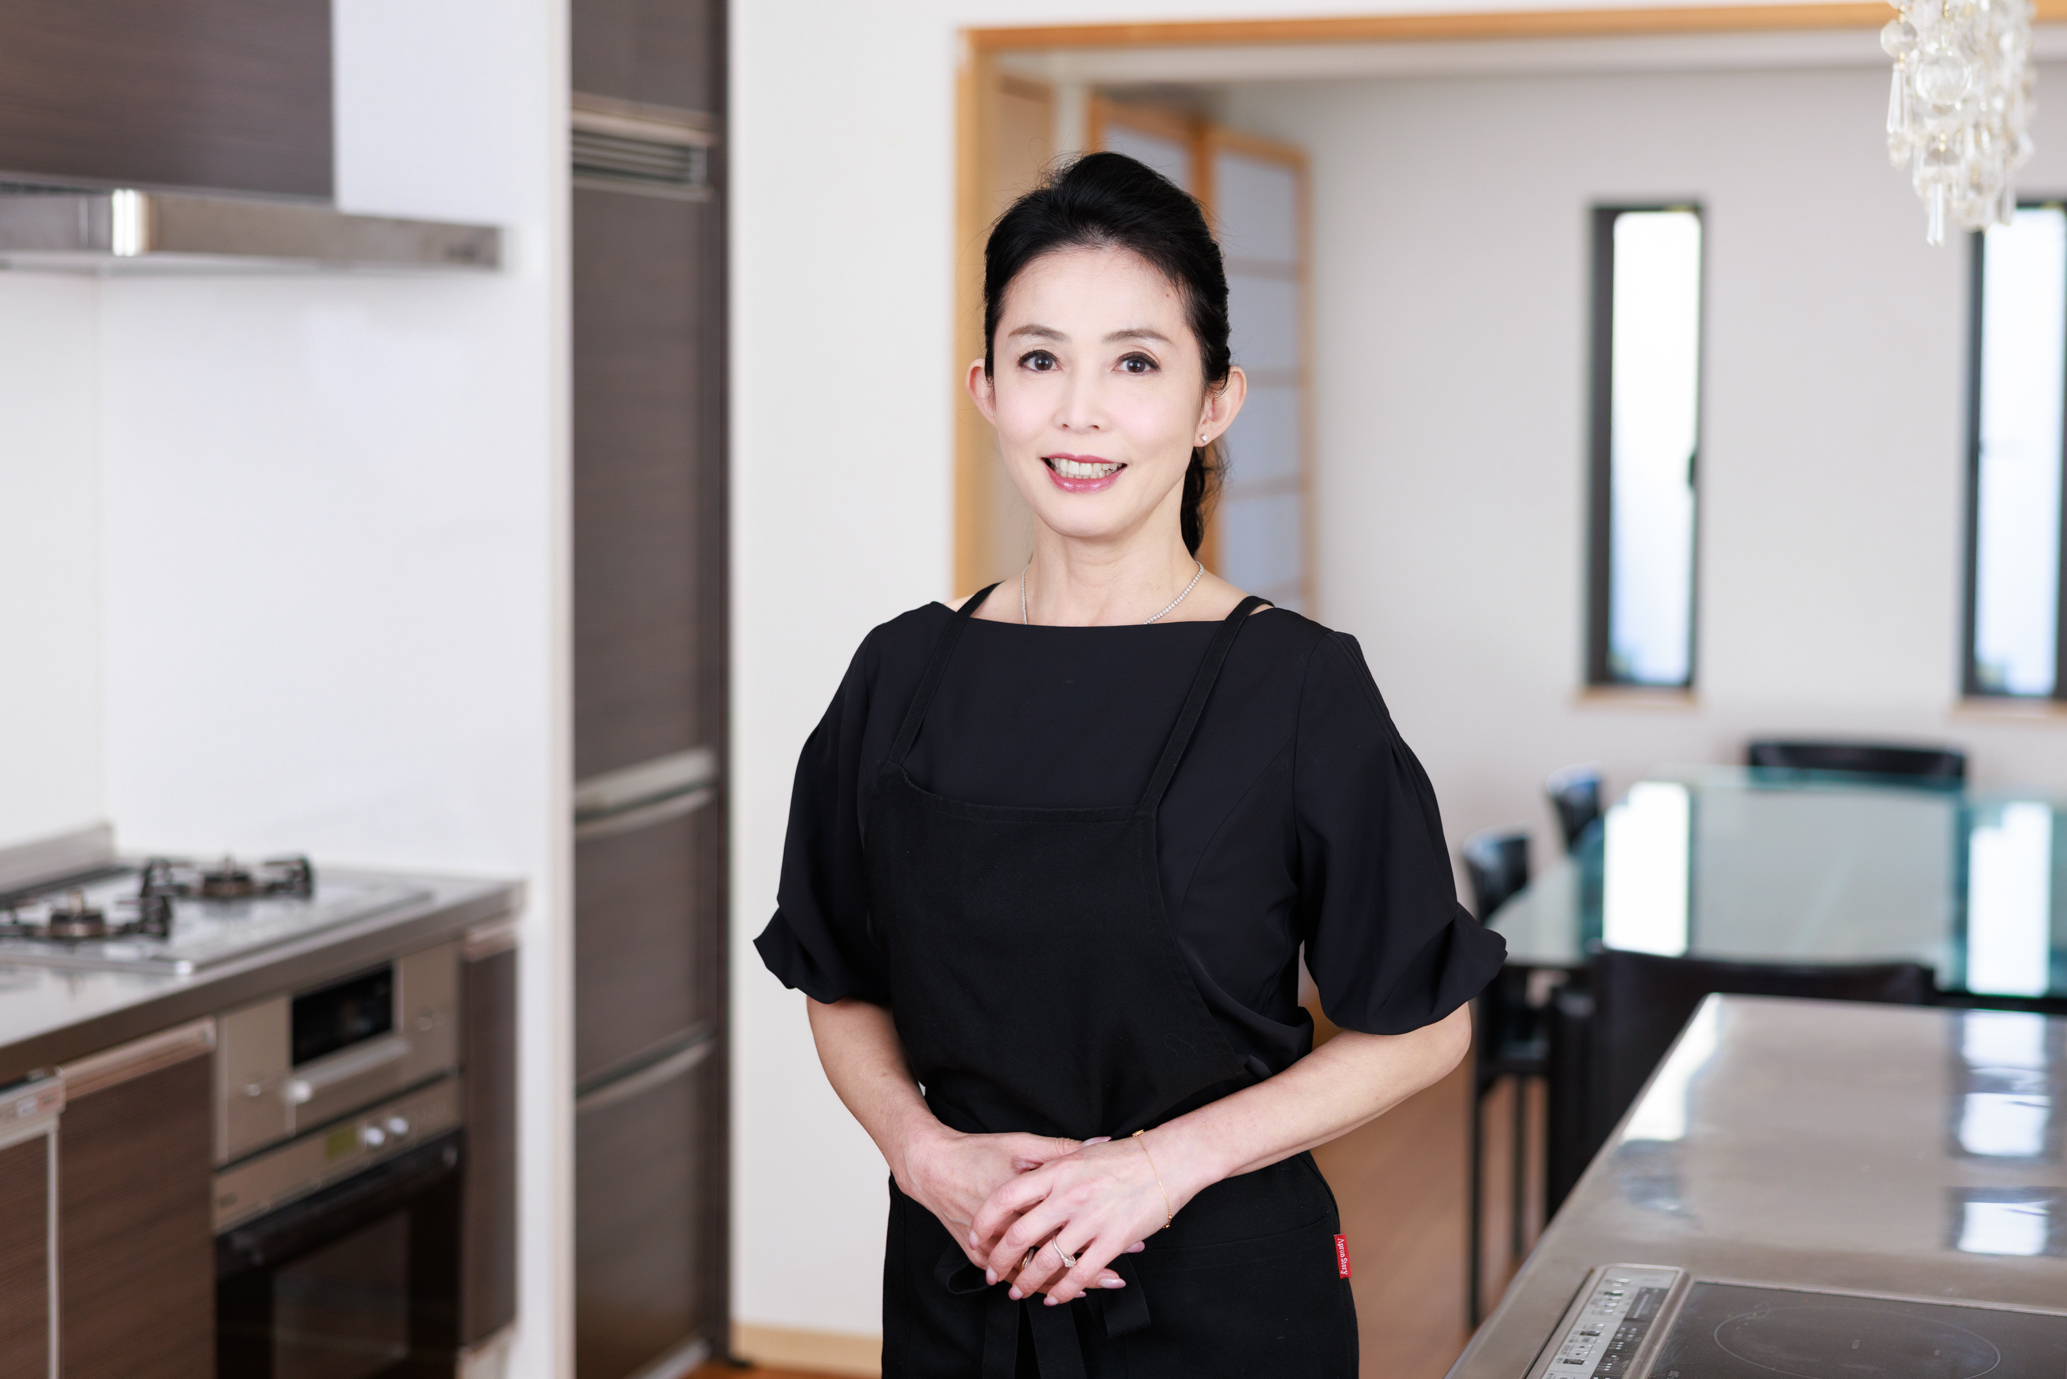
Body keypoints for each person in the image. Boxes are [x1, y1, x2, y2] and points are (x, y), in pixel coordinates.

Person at [755, 151, 1506, 1378]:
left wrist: (1157, 1167)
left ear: (1216, 400)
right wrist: (922, 1150)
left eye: (1138, 363)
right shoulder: (900, 676)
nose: (1082, 411)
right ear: (988, 388)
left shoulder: (1297, 686)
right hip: (960, 1280)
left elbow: (1421, 1027)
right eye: (1041, 359)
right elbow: (836, 977)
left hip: (1223, 1307)